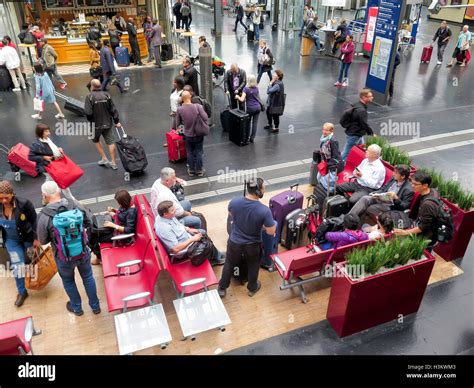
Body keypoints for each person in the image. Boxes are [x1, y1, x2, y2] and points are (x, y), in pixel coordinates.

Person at [37, 181, 100, 316]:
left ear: (44, 195)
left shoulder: (44, 216)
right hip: (82, 251)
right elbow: (89, 221)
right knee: (88, 277)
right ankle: (95, 307)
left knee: (68, 281)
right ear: (59, 191)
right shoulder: (74, 205)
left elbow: (43, 240)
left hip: (62, 257)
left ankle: (77, 308)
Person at [217, 178, 277, 298]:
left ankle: (222, 288)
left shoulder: (234, 202)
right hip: (253, 245)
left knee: (229, 263)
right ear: (258, 191)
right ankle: (252, 287)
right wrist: (264, 227)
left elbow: (231, 215)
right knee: (253, 264)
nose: (264, 190)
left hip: (234, 242)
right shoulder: (264, 211)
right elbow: (271, 232)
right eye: (263, 188)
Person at [0, 181, 38, 307]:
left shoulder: (24, 203)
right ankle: (22, 292)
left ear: (12, 194)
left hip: (28, 238)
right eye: (1, 198)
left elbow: (34, 221)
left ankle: (41, 279)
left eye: (6, 197)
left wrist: (36, 239)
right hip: (12, 241)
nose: (4, 201)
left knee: (35, 260)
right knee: (18, 266)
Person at [154, 201, 224, 266]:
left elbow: (178, 224)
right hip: (183, 250)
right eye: (172, 210)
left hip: (184, 237)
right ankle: (216, 258)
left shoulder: (165, 216)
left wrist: (188, 229)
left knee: (202, 232)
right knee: (205, 242)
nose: (175, 210)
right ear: (165, 214)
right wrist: (193, 239)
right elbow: (175, 249)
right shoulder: (164, 229)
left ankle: (216, 256)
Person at [393, 171, 443, 252]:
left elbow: (423, 227)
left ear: (425, 185)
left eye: (415, 184)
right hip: (424, 227)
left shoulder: (428, 204)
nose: (412, 186)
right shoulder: (433, 191)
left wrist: (405, 232)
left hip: (426, 236)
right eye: (411, 182)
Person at [28, 123, 76, 202]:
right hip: (47, 167)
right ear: (41, 132)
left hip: (53, 165)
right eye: (46, 131)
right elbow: (30, 156)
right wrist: (43, 157)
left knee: (48, 182)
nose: (49, 133)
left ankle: (45, 198)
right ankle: (73, 200)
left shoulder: (47, 139)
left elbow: (52, 148)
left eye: (48, 131)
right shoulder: (36, 144)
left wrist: (58, 149)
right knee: (62, 182)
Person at [349, 164, 414, 221]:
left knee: (370, 208)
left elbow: (404, 206)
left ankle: (355, 224)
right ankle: (348, 219)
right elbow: (383, 189)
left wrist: (396, 198)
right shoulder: (393, 179)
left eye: (396, 173)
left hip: (390, 206)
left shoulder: (408, 189)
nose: (393, 174)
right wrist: (375, 193)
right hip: (382, 198)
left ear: (403, 176)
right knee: (365, 198)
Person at [90, 189, 138, 265]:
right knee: (90, 231)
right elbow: (123, 216)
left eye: (119, 203)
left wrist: (113, 225)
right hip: (116, 229)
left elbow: (129, 230)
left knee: (93, 237)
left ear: (123, 202)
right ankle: (98, 257)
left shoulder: (131, 212)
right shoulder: (127, 205)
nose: (118, 204)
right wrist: (114, 211)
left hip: (121, 236)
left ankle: (99, 258)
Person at [84, 79, 121, 170]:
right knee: (110, 142)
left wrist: (90, 120)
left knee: (96, 140)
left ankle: (104, 158)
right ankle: (113, 162)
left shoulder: (89, 96)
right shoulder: (107, 95)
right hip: (107, 123)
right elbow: (113, 109)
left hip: (95, 124)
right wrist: (117, 121)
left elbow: (88, 112)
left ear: (92, 86)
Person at [176, 91, 208, 176]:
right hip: (198, 134)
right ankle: (199, 170)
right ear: (190, 96)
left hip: (187, 134)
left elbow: (177, 124)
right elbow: (205, 117)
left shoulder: (179, 109)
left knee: (189, 152)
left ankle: (191, 170)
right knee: (199, 151)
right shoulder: (198, 106)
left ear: (182, 99)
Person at [340, 88, 374, 161]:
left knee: (361, 148)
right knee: (346, 153)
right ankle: (336, 167)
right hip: (354, 135)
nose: (372, 97)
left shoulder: (356, 104)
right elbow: (364, 124)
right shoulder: (361, 110)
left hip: (355, 133)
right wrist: (371, 133)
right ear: (364, 97)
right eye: (370, 96)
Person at [235, 74, 263, 144]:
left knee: (248, 123)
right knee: (255, 123)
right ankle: (252, 138)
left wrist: (237, 96)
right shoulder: (256, 88)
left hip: (250, 109)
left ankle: (246, 138)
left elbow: (242, 99)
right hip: (258, 107)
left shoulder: (246, 89)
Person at [317, 122, 344, 191]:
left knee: (327, 184)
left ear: (331, 131)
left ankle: (330, 193)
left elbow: (336, 156)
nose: (324, 132)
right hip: (326, 163)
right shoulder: (324, 138)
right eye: (323, 129)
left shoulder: (333, 141)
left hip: (333, 165)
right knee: (319, 178)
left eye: (326, 130)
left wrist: (330, 166)